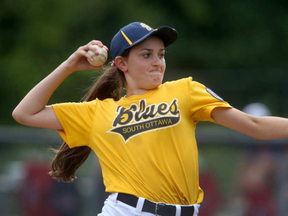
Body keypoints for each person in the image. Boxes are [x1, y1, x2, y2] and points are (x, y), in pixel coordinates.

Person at [12, 21, 288, 216]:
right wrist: (69, 65)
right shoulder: (97, 112)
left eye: (161, 54)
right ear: (122, 63)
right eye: (146, 55)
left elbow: (254, 125)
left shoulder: (185, 91)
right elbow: (25, 113)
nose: (158, 62)